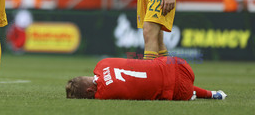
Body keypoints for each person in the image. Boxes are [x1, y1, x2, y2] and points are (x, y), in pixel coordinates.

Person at [66, 56, 227, 100]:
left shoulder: (103, 95)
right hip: (178, 62)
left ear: (89, 91)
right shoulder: (102, 63)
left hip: (181, 90)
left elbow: (101, 89)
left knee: (167, 86)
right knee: (155, 66)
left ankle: (211, 94)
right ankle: (213, 94)